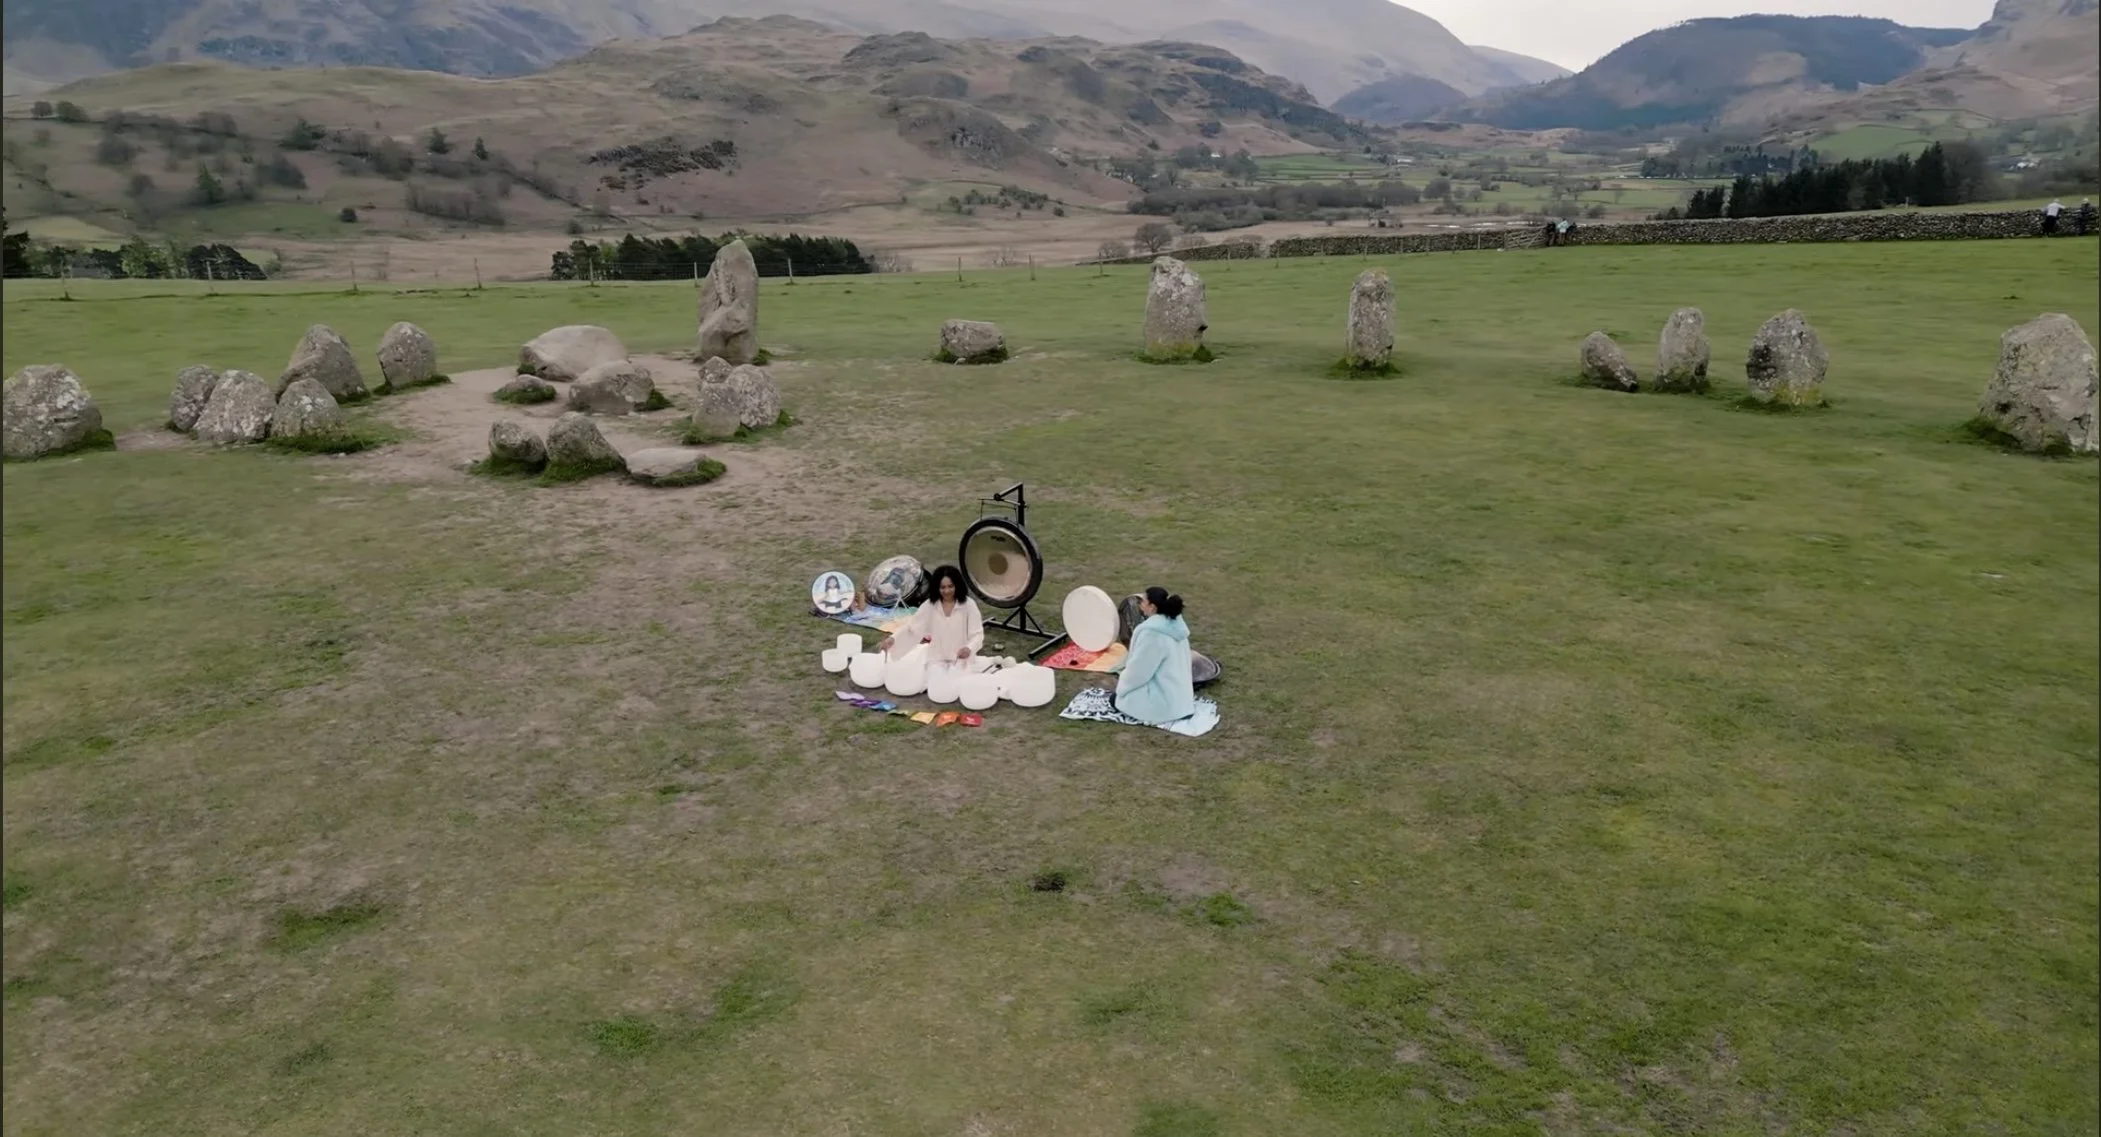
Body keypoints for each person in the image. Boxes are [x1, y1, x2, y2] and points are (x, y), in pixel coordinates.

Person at [1114, 587, 1196, 725]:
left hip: (1165, 704)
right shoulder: (1176, 627)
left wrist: (1122, 688)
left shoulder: (1152, 634)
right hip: (1182, 698)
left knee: (1120, 700)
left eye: (1144, 601)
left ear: (1152, 607)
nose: (1140, 604)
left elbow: (1139, 672)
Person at [879, 564, 983, 668]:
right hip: (936, 658)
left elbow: (977, 634)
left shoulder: (969, 605)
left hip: (962, 659)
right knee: (934, 679)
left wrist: (969, 648)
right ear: (937, 588)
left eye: (950, 586)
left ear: (957, 586)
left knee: (958, 681)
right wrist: (893, 639)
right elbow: (913, 628)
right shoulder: (930, 605)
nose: (947, 591)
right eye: (942, 587)